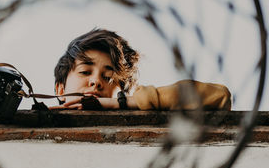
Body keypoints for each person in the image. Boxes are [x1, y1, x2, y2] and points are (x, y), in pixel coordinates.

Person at [49, 28, 231, 111]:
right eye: (85, 72)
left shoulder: (140, 110)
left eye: (109, 77)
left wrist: (124, 104)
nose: (96, 81)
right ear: (60, 89)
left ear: (123, 93)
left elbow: (219, 96)